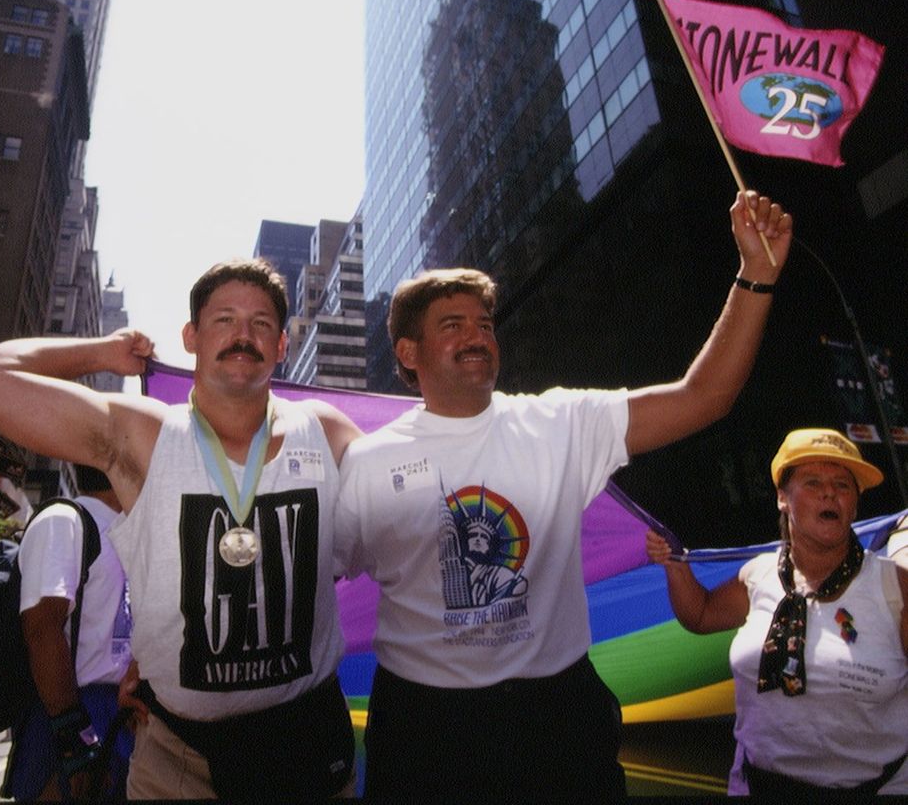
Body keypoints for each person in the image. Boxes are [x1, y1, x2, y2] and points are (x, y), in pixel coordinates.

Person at [334, 190, 792, 799]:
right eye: (453, 325)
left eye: (484, 324)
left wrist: (755, 277)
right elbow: (311, 580)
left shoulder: (561, 423)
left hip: (558, 716)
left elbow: (703, 398)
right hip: (424, 728)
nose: (476, 336)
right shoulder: (368, 463)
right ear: (408, 354)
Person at [0, 258, 361, 801]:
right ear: (190, 337)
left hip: (306, 744)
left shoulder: (324, 431)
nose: (243, 334)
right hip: (177, 757)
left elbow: (410, 524)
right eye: (224, 319)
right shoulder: (141, 435)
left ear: (282, 345)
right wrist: (102, 352)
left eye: (261, 323)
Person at [646, 428, 908, 795]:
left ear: (854, 503)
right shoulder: (759, 574)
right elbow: (701, 616)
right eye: (813, 482)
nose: (830, 492)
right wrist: (673, 564)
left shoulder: (895, 585)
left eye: (843, 485)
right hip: (758, 786)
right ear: (783, 498)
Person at [3, 464, 134, 801]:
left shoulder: (130, 528)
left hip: (118, 714)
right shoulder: (64, 520)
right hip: (69, 716)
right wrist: (73, 740)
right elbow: (42, 629)